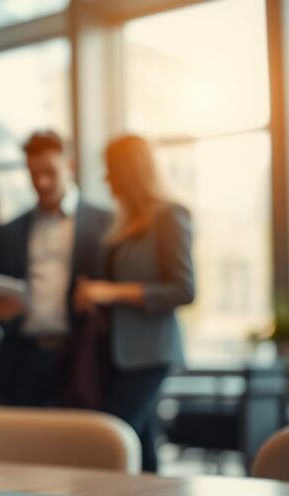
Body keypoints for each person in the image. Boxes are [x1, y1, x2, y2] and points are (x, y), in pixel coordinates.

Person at [73, 134, 195, 473]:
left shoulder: (170, 215)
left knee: (115, 434)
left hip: (151, 351)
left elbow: (184, 289)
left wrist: (111, 292)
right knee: (140, 440)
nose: (106, 178)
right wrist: (93, 295)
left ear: (129, 170)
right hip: (117, 351)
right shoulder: (123, 223)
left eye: (111, 170)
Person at [0, 130, 113, 407]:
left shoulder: (105, 223)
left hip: (80, 356)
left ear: (70, 164)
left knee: (74, 445)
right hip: (23, 359)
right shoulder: (10, 231)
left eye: (49, 172)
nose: (41, 183)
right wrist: (0, 312)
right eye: (33, 174)